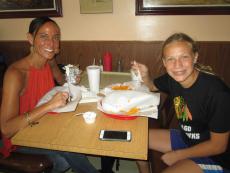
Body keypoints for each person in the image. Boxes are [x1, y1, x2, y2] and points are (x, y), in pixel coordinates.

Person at [0, 17, 99, 173]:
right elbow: (6, 129)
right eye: (44, 36)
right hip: (20, 138)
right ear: (30, 39)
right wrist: (49, 105)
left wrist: (72, 79)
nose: (52, 44)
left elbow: (62, 82)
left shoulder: (49, 61)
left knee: (77, 133)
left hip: (46, 126)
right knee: (68, 149)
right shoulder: (15, 74)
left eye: (56, 37)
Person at [132, 33, 230, 173]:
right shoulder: (172, 79)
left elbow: (218, 146)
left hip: (216, 157)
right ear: (164, 63)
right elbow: (152, 86)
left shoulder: (218, 93)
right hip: (187, 139)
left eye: (184, 57)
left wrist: (179, 155)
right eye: (171, 59)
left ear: (195, 57)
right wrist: (145, 75)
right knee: (137, 139)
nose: (177, 65)